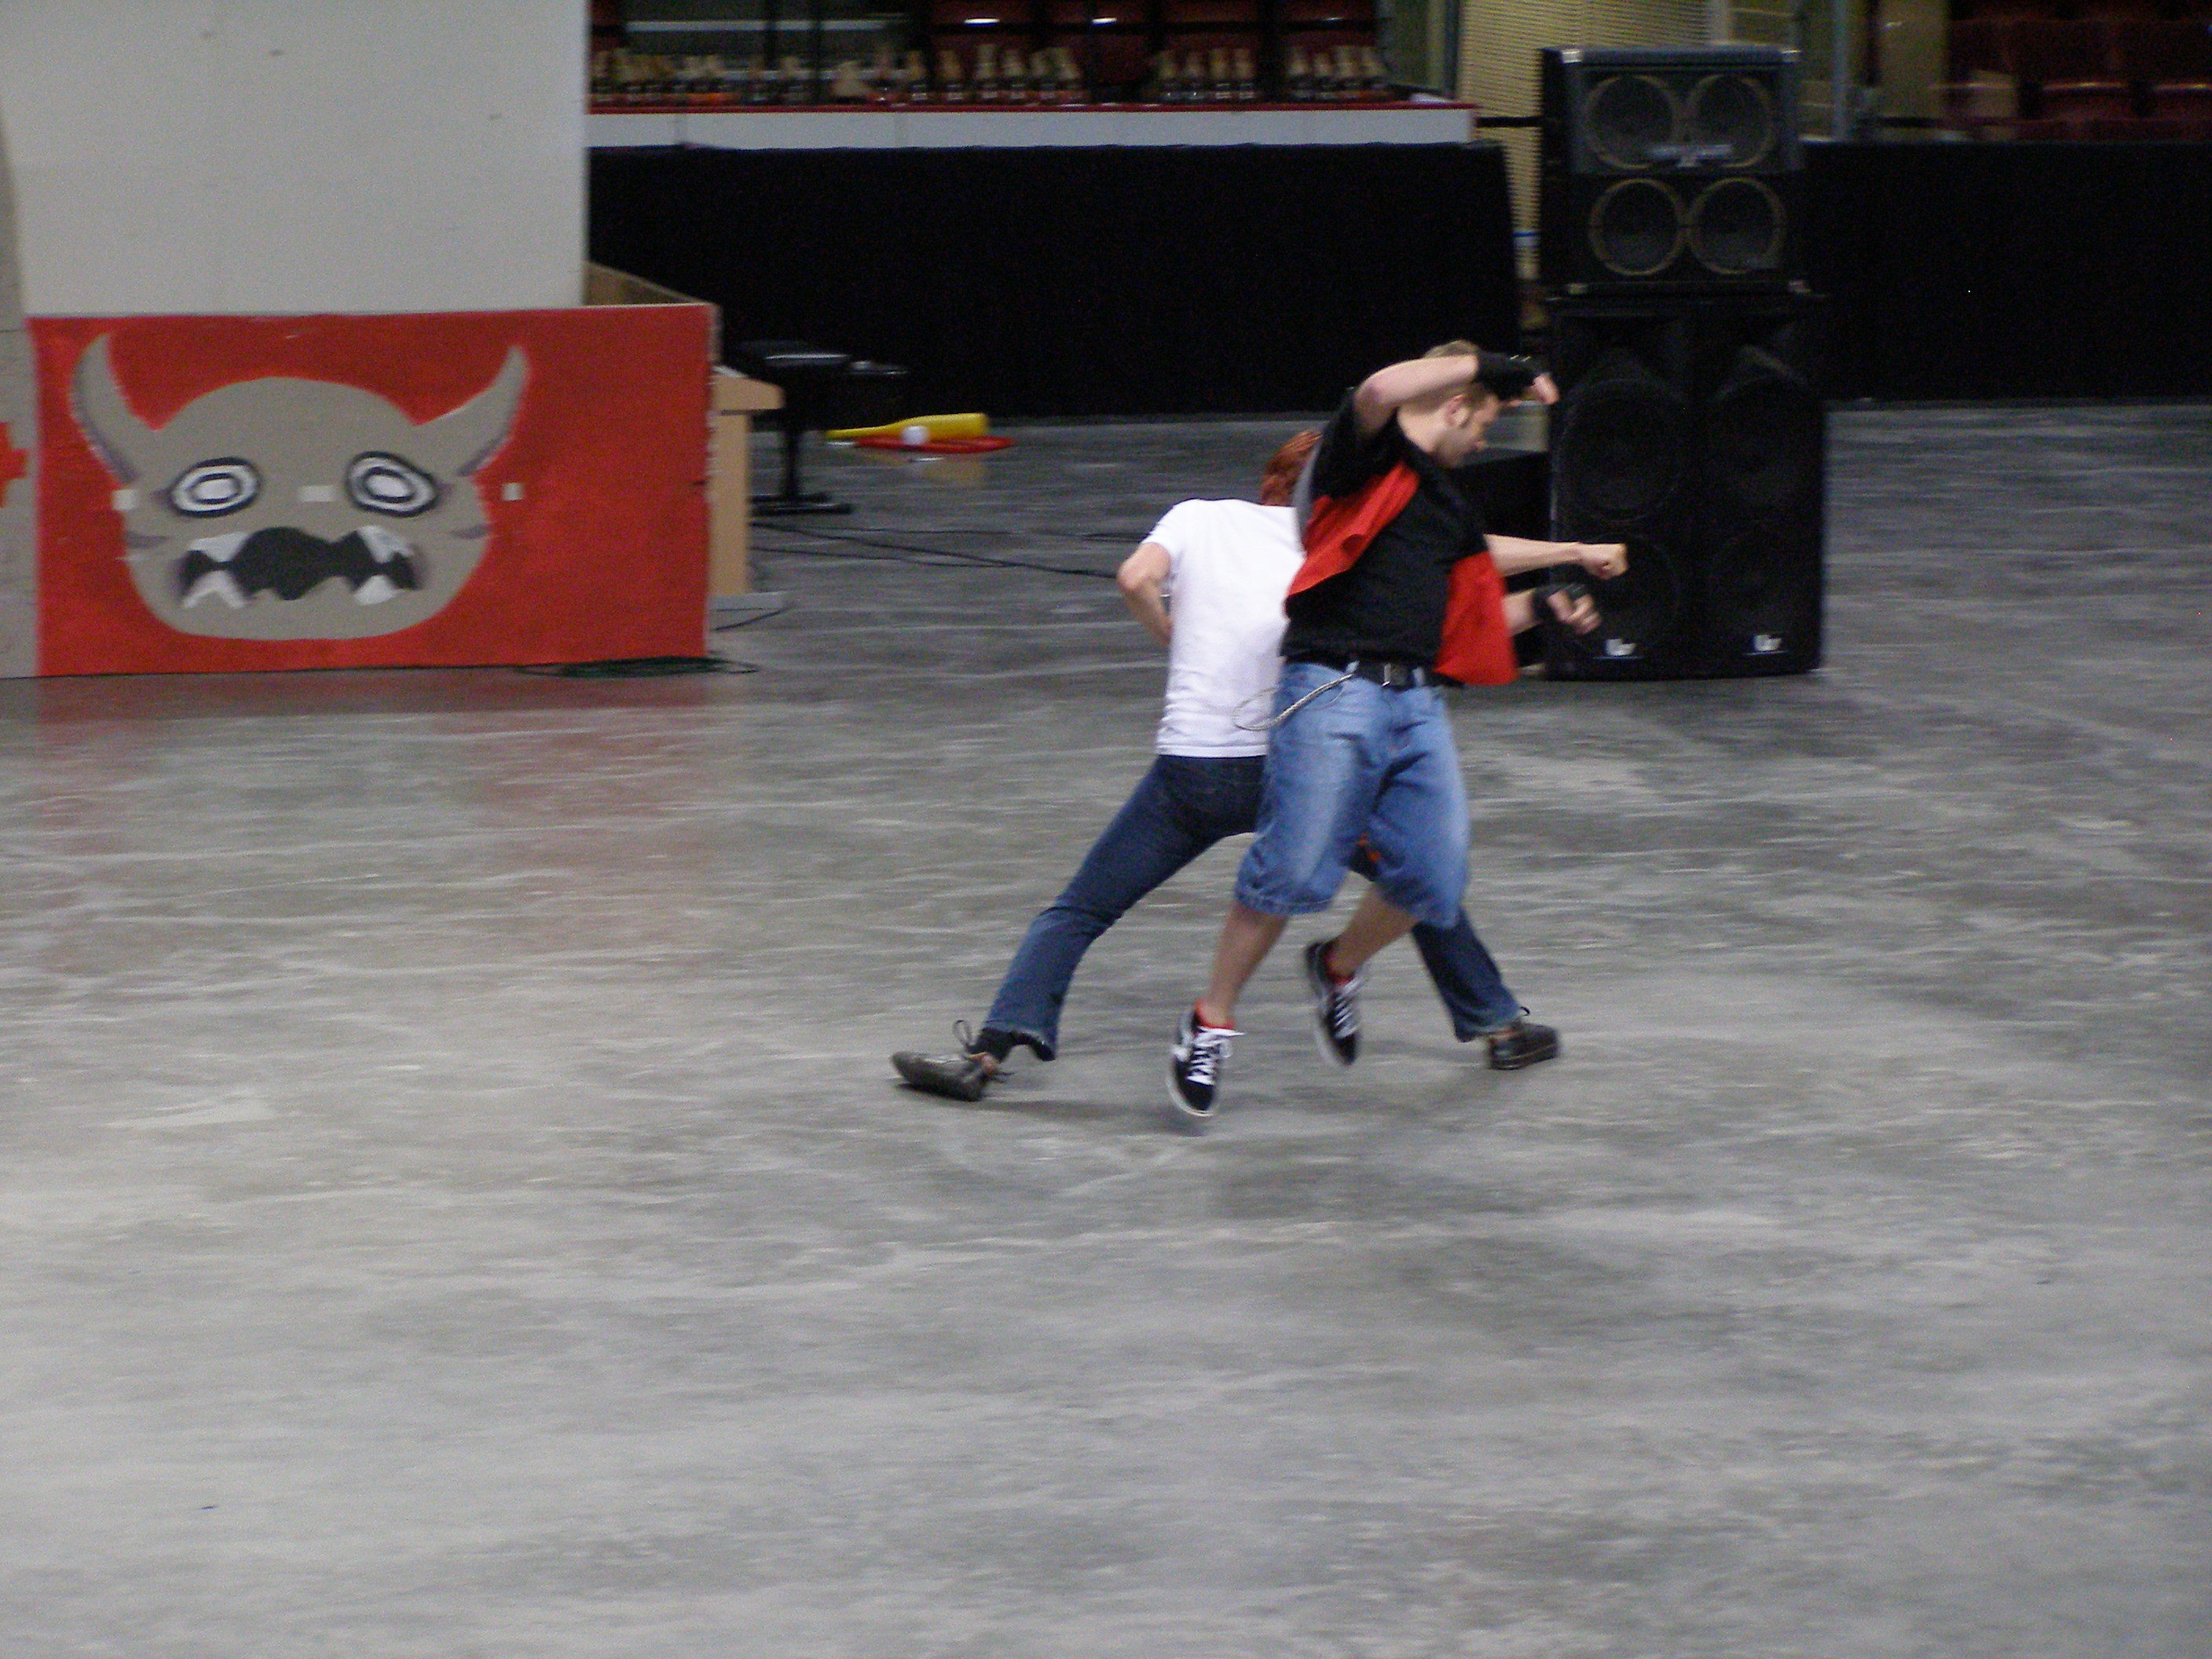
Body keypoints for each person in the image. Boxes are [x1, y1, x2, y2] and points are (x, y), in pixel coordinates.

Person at [893, 428, 1620, 1108]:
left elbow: (1134, 577)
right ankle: (1500, 1027)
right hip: (1301, 773)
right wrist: (1574, 550)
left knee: (1082, 907)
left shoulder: (1199, 518)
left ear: (1271, 484)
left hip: (1193, 775)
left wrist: (1171, 634)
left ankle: (987, 1054)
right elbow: (1469, 551)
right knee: (1417, 879)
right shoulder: (1349, 548)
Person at [1166, 344, 1626, 1126]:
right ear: (1454, 403)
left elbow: (1473, 572)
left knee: (1433, 878)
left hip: (1416, 706)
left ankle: (1337, 966)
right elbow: (1380, 387)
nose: (1482, 442)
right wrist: (1497, 364)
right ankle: (1208, 1022)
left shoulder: (1442, 498)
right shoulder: (1365, 454)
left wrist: (1557, 583)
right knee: (1291, 872)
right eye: (1483, 424)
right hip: (1334, 691)